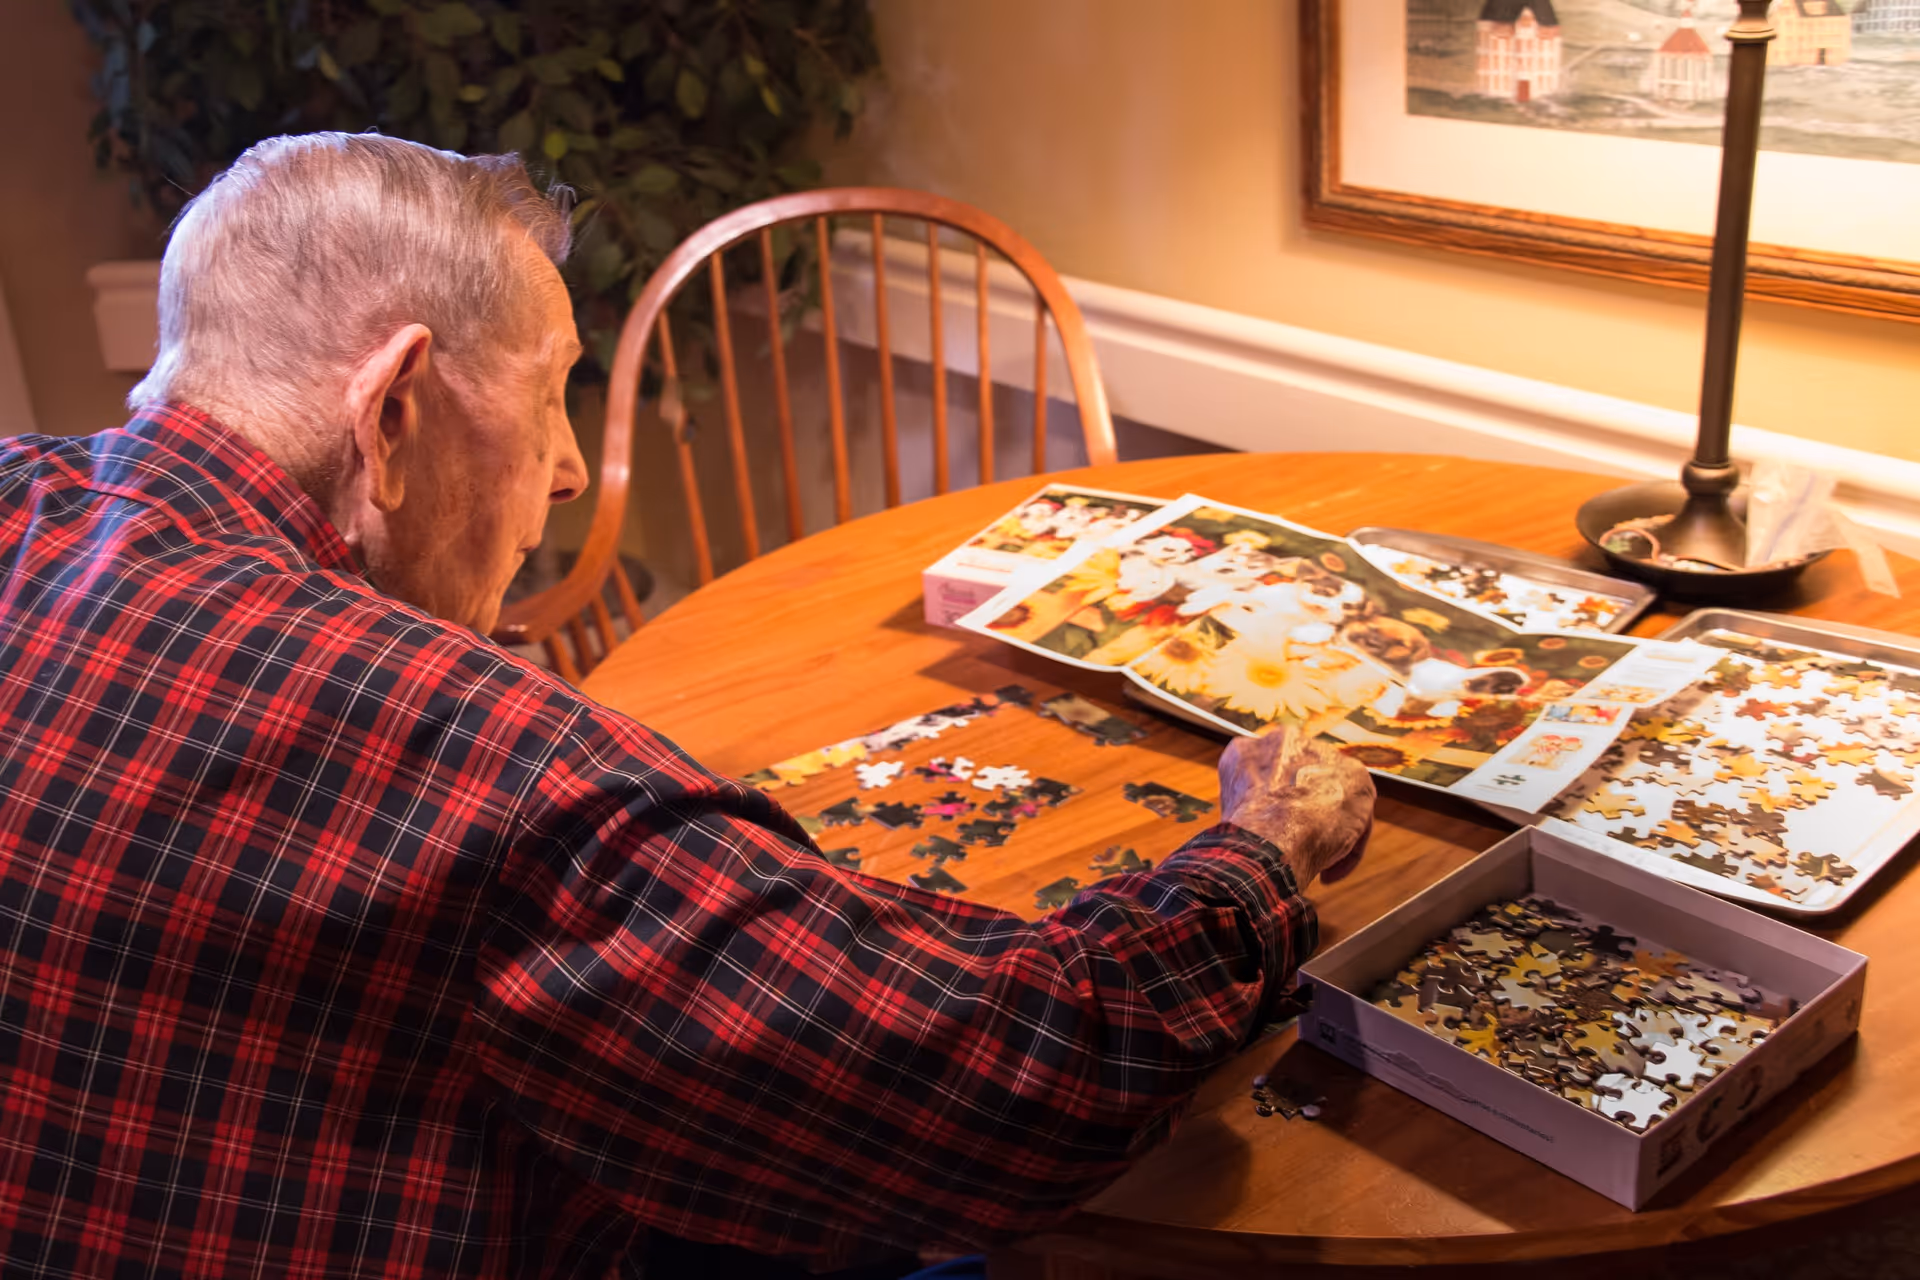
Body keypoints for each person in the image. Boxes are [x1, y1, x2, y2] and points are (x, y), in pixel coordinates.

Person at [0, 133, 1375, 1279]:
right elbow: (1018, 1070)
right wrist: (1256, 855)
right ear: (396, 412)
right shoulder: (486, 758)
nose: (556, 477)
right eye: (550, 400)